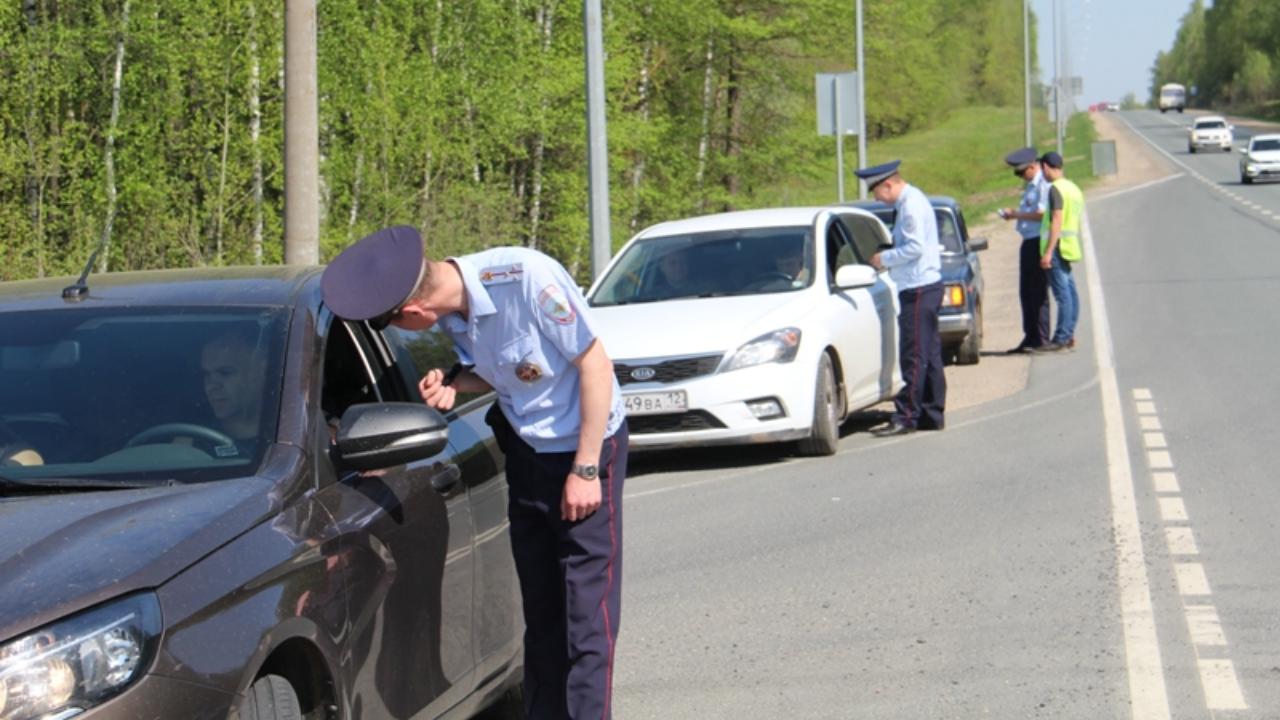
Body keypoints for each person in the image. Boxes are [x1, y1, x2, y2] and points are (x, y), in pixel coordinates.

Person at [321, 226, 628, 720]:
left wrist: (587, 469)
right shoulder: (451, 311)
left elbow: (594, 365)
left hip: (583, 448)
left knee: (585, 620)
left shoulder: (526, 279)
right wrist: (454, 383)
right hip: (526, 450)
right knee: (543, 616)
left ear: (414, 312)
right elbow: (512, 367)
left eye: (398, 325)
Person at [859, 160, 946, 437]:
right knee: (929, 354)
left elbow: (915, 248)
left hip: (918, 287)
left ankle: (906, 415)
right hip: (925, 285)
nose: (876, 198)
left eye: (876, 192)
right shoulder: (913, 200)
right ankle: (931, 412)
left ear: (888, 184)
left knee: (914, 354)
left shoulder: (910, 205)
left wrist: (882, 258)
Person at [998, 146, 1051, 353]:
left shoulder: (1043, 185)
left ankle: (1041, 337)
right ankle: (1030, 336)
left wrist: (1016, 215)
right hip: (1028, 240)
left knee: (1038, 292)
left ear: (1032, 167)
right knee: (1026, 292)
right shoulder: (1031, 186)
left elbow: (1041, 214)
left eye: (1021, 172)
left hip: (1039, 240)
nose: (1020, 177)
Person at [1035, 151, 1083, 352]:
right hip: (1069, 245)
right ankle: (1069, 333)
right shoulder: (1073, 188)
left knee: (1062, 294)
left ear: (1046, 167)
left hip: (1057, 246)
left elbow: (1056, 220)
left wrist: (1048, 252)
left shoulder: (1055, 189)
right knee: (1071, 293)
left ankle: (1061, 337)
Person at [200, 328, 268, 455]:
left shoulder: (290, 443)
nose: (211, 386)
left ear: (261, 372)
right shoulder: (192, 440)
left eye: (225, 373)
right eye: (206, 375)